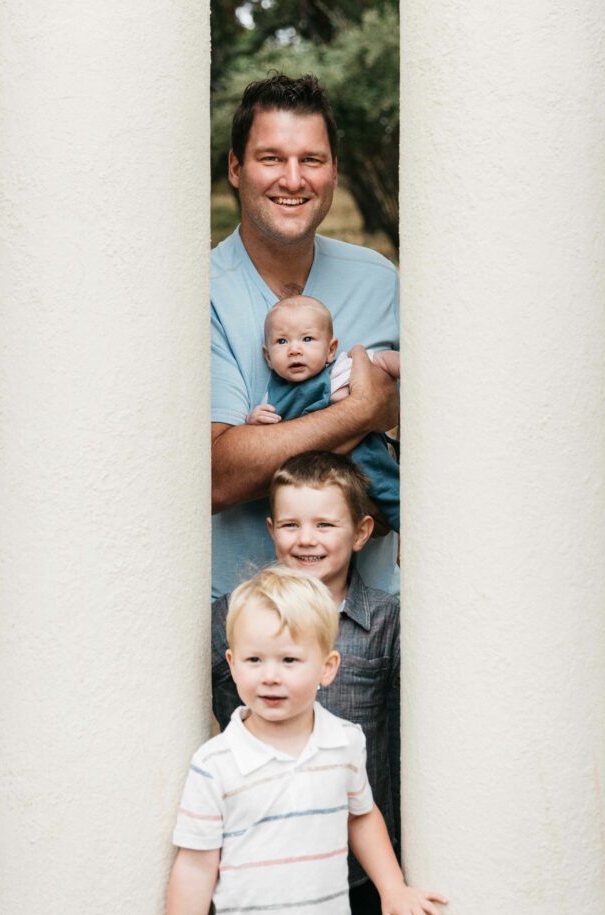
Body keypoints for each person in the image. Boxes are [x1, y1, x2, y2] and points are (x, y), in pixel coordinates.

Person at [157, 567, 447, 915]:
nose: (270, 676)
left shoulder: (345, 743)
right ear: (231, 664)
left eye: (289, 661)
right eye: (255, 661)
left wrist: (392, 889)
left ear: (327, 667)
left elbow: (361, 815)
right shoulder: (215, 763)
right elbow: (194, 868)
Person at [212, 452, 401, 915]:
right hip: (268, 858)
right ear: (271, 530)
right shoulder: (234, 617)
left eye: (325, 524)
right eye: (291, 524)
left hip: (356, 862)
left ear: (362, 531)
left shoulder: (387, 622)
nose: (306, 539)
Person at [211, 72, 400, 599]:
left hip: (373, 613)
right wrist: (360, 411)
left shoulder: (378, 278)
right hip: (250, 628)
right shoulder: (197, 292)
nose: (293, 180)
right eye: (271, 158)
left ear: (334, 171)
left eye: (311, 160)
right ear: (235, 167)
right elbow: (217, 474)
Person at [247, 296, 400, 532]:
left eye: (307, 339)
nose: (294, 350)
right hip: (320, 482)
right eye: (282, 341)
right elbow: (260, 439)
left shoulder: (342, 368)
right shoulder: (270, 398)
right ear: (267, 356)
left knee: (392, 496)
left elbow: (383, 361)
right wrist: (254, 420)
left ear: (330, 350)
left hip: (365, 459)